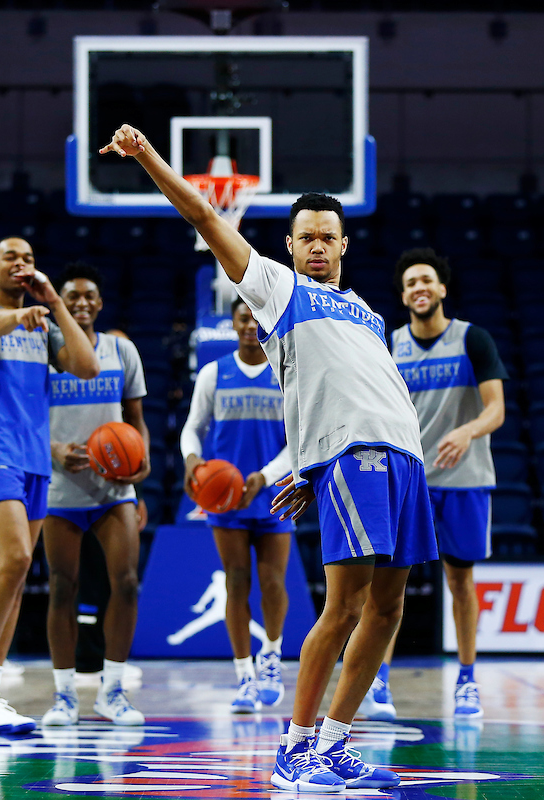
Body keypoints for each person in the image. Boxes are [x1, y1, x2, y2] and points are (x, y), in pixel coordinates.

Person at [102, 124, 436, 793]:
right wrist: (146, 158)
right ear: (289, 245)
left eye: (327, 236)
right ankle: (294, 747)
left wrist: (309, 468)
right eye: (305, 235)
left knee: (389, 609)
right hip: (358, 457)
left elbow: (342, 385)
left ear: (344, 244)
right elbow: (201, 212)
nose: (317, 245)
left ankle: (336, 743)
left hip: (403, 457)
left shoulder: (369, 313)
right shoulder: (279, 289)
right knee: (342, 608)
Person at [0, 237, 99, 733]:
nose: (22, 263)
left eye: (31, 258)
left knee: (12, 577)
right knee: (14, 558)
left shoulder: (43, 323)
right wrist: (19, 316)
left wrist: (54, 303)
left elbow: (87, 366)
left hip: (35, 459)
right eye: (12, 257)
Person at [360, 247, 506, 721]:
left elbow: (496, 409)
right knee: (386, 585)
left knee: (460, 580)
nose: (418, 288)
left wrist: (468, 430)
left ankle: (466, 680)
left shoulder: (472, 340)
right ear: (403, 296)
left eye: (426, 280)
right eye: (410, 284)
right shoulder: (391, 344)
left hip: (464, 477)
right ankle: (378, 681)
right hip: (408, 477)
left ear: (442, 289)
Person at [40, 262, 150, 727]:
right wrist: (53, 449)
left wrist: (142, 455)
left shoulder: (122, 350)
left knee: (125, 583)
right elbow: (25, 417)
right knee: (62, 588)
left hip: (113, 489)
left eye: (89, 296)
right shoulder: (43, 351)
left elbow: (135, 416)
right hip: (60, 491)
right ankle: (64, 695)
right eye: (72, 296)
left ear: (100, 304)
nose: (82, 302)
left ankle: (113, 691)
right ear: (60, 303)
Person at [180, 296, 295, 714]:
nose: (250, 325)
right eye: (243, 317)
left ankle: (272, 659)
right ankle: (244, 675)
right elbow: (192, 429)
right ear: (232, 323)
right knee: (236, 582)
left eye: (256, 318)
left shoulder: (286, 372)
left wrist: (264, 476)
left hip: (272, 491)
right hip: (224, 497)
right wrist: (192, 460)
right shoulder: (214, 373)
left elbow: (296, 443)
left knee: (273, 584)